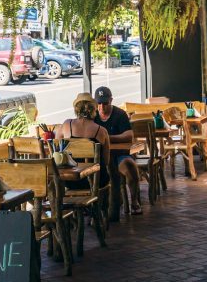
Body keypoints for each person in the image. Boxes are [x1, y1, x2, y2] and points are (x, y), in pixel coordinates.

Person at [92, 86, 142, 215]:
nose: (102, 107)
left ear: (111, 100)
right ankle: (95, 205)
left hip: (120, 155)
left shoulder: (119, 114)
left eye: (105, 103)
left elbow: (128, 135)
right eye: (99, 103)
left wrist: (106, 138)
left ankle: (134, 202)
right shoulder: (93, 116)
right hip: (100, 157)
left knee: (131, 167)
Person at [55, 92, 111, 194]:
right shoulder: (102, 131)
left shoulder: (66, 125)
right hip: (96, 180)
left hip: (70, 180)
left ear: (76, 109)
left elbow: (56, 147)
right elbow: (106, 161)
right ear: (94, 109)